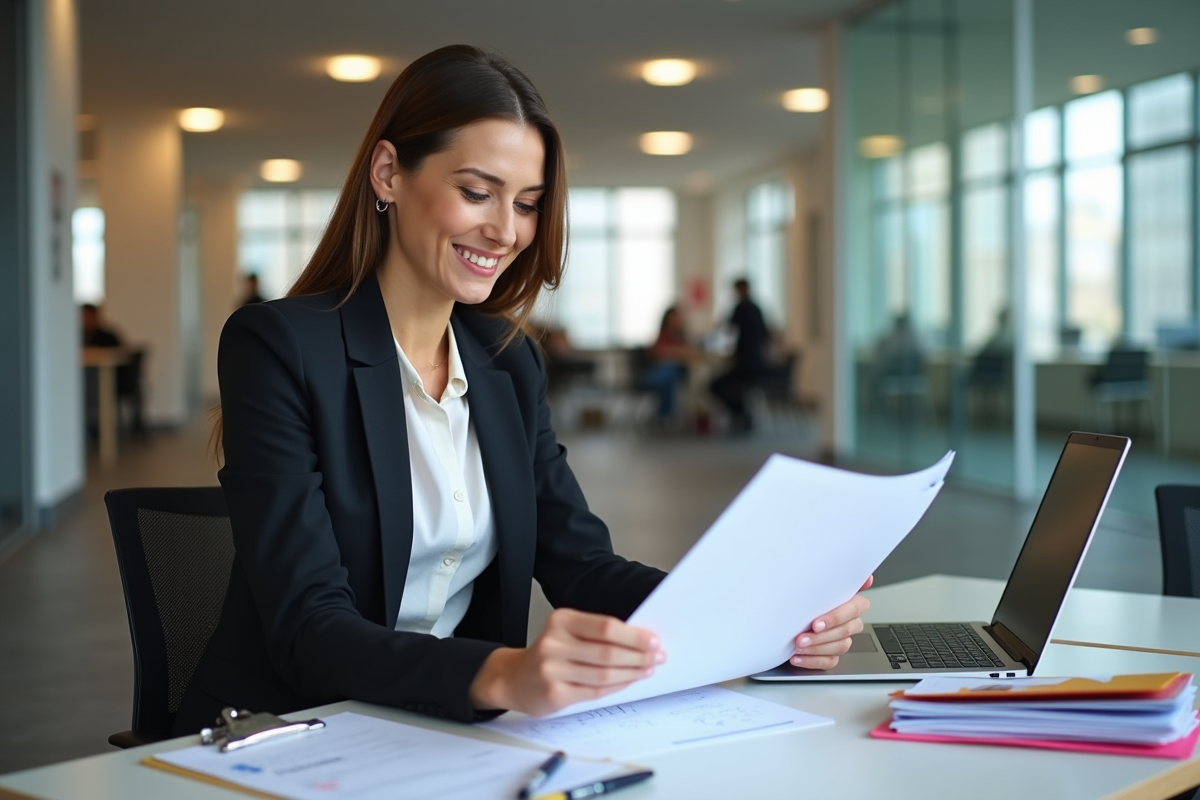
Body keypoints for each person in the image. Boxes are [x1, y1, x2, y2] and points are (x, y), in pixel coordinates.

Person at [175, 45, 870, 734]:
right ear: (388, 174)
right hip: (288, 731)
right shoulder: (279, 346)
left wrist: (759, 614)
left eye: (528, 203)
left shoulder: (507, 363)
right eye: (477, 192)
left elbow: (583, 567)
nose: (505, 231)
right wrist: (503, 673)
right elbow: (309, 625)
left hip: (441, 730)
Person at [709, 278, 769, 432]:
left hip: (745, 365)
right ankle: (742, 414)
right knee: (731, 386)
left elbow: (727, 327)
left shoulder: (740, 308)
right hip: (758, 364)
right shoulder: (757, 309)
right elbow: (766, 335)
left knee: (714, 385)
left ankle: (740, 413)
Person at [641, 306, 696, 421]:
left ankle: (664, 412)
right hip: (659, 368)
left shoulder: (682, 336)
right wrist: (673, 353)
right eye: (672, 318)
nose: (675, 321)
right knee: (665, 376)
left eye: (677, 318)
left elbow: (687, 354)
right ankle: (665, 413)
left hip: (675, 370)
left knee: (668, 373)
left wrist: (670, 353)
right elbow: (656, 352)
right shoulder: (663, 335)